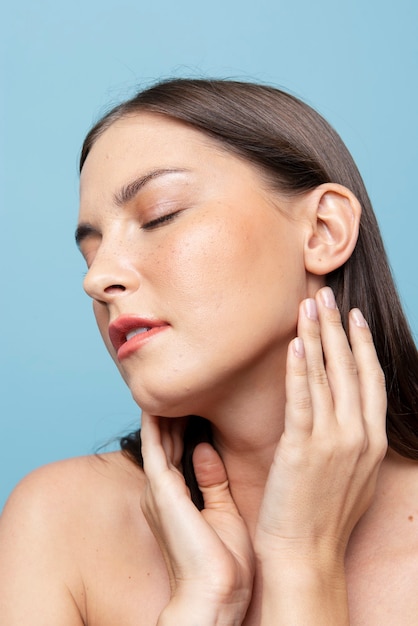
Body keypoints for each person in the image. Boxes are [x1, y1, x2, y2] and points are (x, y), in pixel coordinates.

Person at [0, 78, 417, 625]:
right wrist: (204, 605)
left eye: (160, 216)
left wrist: (302, 559)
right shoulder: (58, 521)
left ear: (322, 230)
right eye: (92, 252)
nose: (98, 279)